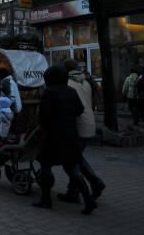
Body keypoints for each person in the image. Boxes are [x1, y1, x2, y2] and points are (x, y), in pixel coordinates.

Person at [32, 65, 97, 215]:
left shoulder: (48, 92)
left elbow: (43, 116)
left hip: (53, 135)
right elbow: (80, 110)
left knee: (46, 165)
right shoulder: (71, 91)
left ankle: (46, 199)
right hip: (71, 134)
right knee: (73, 168)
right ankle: (88, 200)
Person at [57, 59, 106, 204]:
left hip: (76, 126)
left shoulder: (67, 84)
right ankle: (76, 191)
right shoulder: (84, 82)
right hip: (89, 124)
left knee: (70, 161)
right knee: (77, 158)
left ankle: (88, 186)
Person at [0, 67, 22, 134]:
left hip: (13, 107)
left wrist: (5, 107)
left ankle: (15, 138)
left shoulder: (6, 82)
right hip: (15, 106)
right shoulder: (10, 81)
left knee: (11, 124)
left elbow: (11, 96)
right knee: (12, 123)